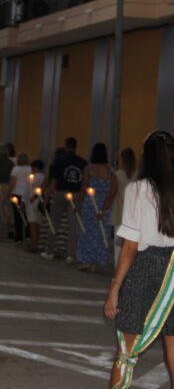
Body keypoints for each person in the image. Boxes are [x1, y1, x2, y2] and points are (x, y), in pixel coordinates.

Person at [104, 131, 174, 388]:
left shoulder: (139, 189)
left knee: (126, 352)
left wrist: (114, 287)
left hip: (146, 269)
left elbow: (130, 246)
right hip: (173, 276)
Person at [43, 137, 88, 263]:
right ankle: (71, 255)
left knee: (54, 222)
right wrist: (80, 199)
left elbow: (53, 181)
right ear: (76, 146)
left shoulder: (59, 161)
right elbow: (84, 182)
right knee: (73, 226)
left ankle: (49, 251)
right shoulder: (83, 162)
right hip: (76, 193)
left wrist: (46, 198)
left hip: (60, 192)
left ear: (66, 146)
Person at [76, 143, 117, 271]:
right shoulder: (111, 172)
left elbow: (83, 188)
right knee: (100, 233)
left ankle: (86, 260)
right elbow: (112, 193)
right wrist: (104, 209)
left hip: (89, 204)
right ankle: (97, 260)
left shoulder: (88, 170)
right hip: (103, 205)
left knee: (86, 232)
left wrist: (78, 204)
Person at [111, 147, 138, 265]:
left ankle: (118, 266)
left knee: (118, 242)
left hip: (119, 211)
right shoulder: (138, 175)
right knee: (130, 242)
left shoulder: (117, 175)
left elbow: (112, 193)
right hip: (133, 212)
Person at [8, 152, 31, 245]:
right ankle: (28, 236)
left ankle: (18, 238)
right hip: (27, 194)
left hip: (17, 194)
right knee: (27, 216)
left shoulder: (16, 169)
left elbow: (12, 183)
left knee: (18, 217)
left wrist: (8, 194)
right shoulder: (30, 169)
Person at [26, 159, 46, 253]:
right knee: (39, 223)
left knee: (32, 223)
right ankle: (38, 242)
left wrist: (23, 201)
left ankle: (34, 244)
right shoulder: (44, 177)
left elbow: (27, 190)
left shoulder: (32, 177)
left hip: (31, 202)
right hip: (40, 202)